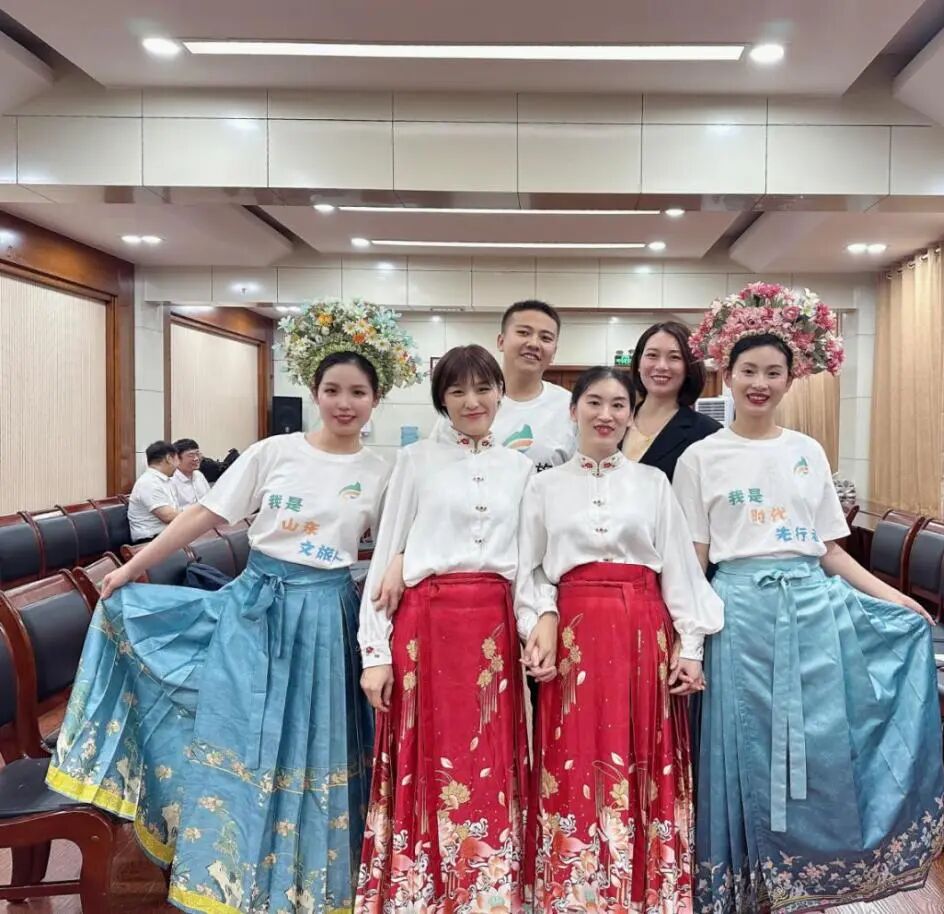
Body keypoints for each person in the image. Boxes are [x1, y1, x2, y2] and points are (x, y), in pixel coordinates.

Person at [46, 300, 424, 914]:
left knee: (315, 744)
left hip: (327, 617)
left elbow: (399, 541)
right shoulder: (274, 452)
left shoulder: (384, 470)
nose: (344, 402)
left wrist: (403, 561)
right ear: (315, 392)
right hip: (253, 610)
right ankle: (233, 874)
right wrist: (134, 567)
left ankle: (313, 885)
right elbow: (204, 515)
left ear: (376, 399)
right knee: (244, 737)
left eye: (358, 392)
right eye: (332, 390)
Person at [673, 283, 944, 913]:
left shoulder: (806, 452)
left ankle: (807, 874)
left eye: (773, 372)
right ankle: (745, 880)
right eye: (748, 371)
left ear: (790, 380)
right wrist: (683, 637)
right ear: (727, 375)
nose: (760, 383)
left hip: (814, 611)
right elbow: (696, 560)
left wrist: (896, 599)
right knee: (744, 748)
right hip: (738, 617)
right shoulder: (700, 457)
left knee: (820, 743)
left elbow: (831, 550)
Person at [516, 366, 723, 912]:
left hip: (643, 632)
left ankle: (646, 888)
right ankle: (573, 888)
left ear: (632, 415)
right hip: (575, 636)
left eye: (618, 405)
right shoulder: (542, 486)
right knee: (572, 754)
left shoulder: (653, 483)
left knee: (641, 754)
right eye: (594, 403)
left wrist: (691, 645)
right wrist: (541, 618)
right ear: (573, 410)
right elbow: (528, 569)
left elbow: (678, 567)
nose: (605, 415)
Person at [356, 344, 534, 911]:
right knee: (426, 756)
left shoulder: (521, 469)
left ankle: (488, 889)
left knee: (490, 755)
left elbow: (529, 560)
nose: (471, 401)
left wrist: (534, 626)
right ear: (441, 401)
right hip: (425, 623)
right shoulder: (415, 461)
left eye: (483, 388)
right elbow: (387, 553)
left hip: (493, 627)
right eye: (457, 391)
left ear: (500, 393)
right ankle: (421, 890)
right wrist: (374, 652)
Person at [433, 300, 577, 472]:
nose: (533, 344)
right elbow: (436, 468)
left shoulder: (570, 409)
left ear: (554, 352)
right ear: (501, 341)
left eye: (545, 338)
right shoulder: (466, 404)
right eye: (523, 332)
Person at [623, 320, 722, 480]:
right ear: (639, 363)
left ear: (689, 367)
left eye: (674, 357)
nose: (661, 366)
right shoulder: (615, 420)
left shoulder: (708, 433)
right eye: (652, 355)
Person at [127, 440, 181, 542]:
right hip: (150, 540)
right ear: (169, 459)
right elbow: (168, 516)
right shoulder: (149, 482)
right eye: (177, 459)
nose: (178, 465)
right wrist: (194, 514)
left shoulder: (163, 480)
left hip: (166, 536)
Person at [171, 438, 211, 508]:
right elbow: (172, 510)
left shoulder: (199, 475)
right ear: (177, 458)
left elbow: (209, 499)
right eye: (191, 455)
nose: (196, 458)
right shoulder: (171, 481)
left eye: (197, 454)